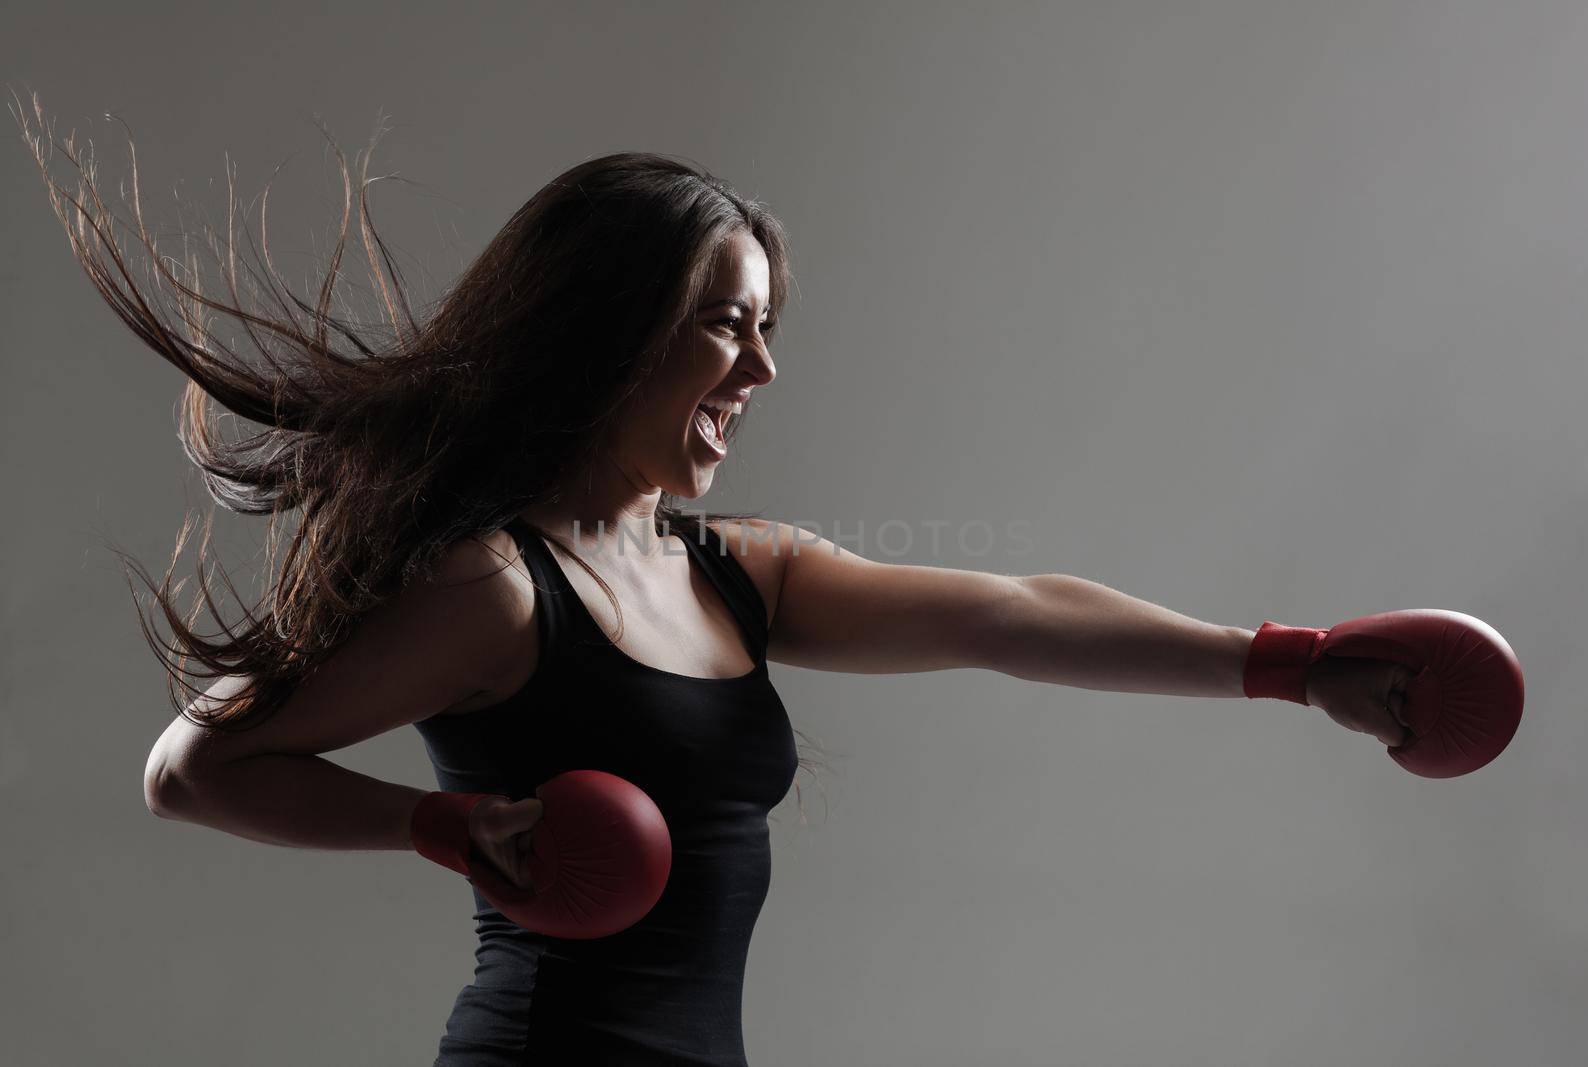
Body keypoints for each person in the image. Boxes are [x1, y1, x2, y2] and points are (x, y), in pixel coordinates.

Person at [15, 106, 1410, 1065]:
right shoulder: (497, 591)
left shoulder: (737, 573)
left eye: (765, 327)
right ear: (615, 334)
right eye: (726, 325)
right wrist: (433, 824)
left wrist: (1290, 662)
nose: (761, 369)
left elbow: (1015, 615)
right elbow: (194, 769)